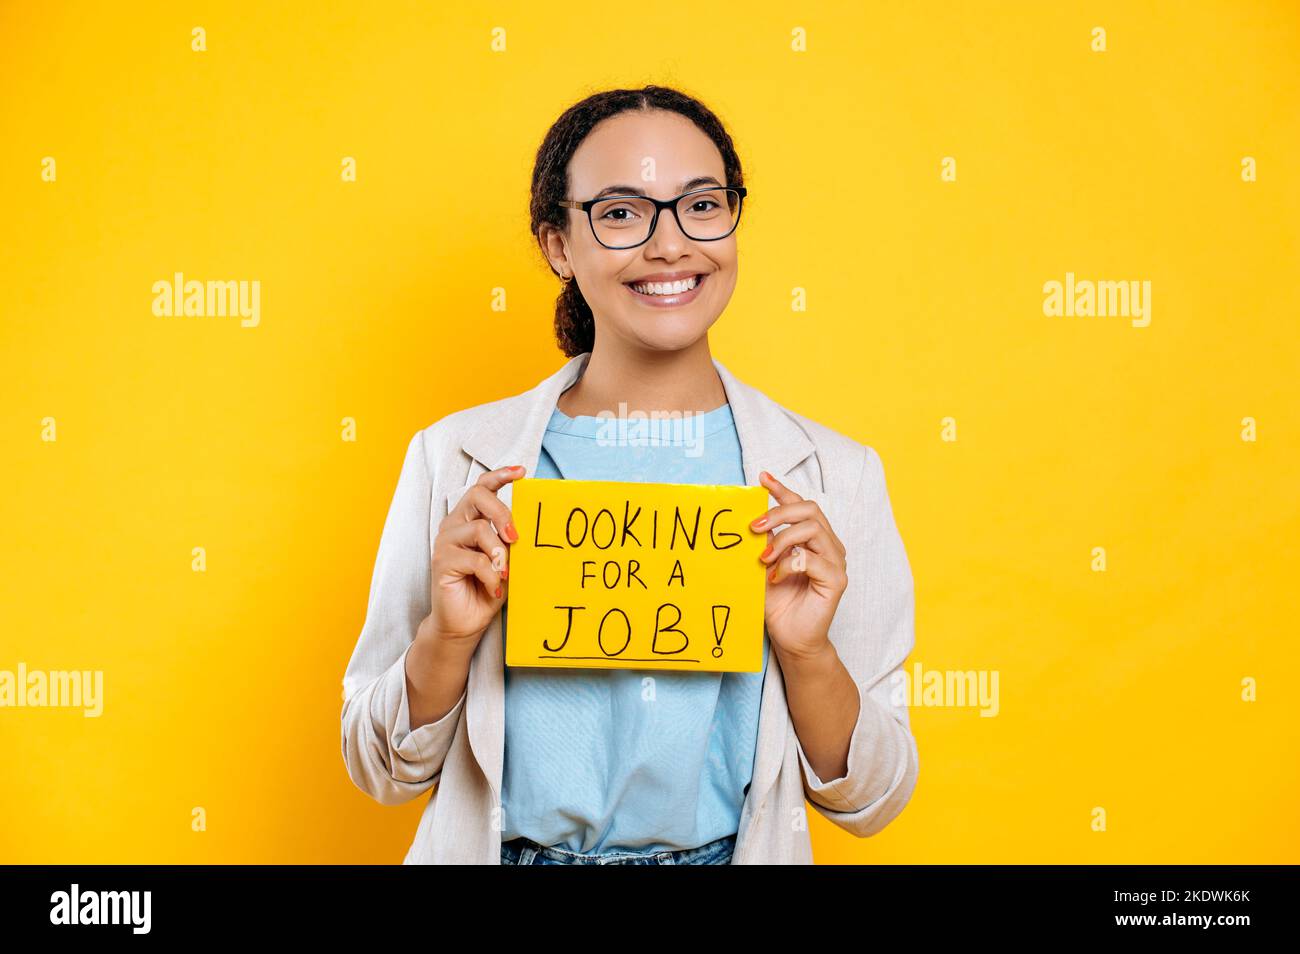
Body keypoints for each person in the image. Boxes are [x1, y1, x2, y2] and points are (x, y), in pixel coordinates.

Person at [341, 85, 919, 865]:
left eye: (701, 206)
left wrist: (808, 654)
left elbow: (873, 799)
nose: (670, 245)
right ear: (557, 246)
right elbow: (378, 770)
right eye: (620, 214)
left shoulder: (835, 478)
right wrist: (447, 637)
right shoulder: (453, 460)